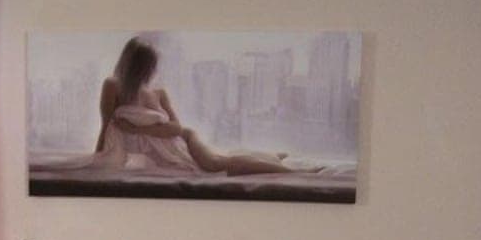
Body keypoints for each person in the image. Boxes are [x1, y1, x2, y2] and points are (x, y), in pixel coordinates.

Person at [95, 36, 318, 176]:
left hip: (184, 138)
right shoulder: (113, 85)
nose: (150, 71)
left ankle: (292, 172)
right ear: (132, 64)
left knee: (215, 164)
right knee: (220, 158)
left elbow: (176, 128)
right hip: (172, 145)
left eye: (150, 66)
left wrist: (136, 129)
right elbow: (106, 125)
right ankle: (270, 157)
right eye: (146, 65)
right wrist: (97, 158)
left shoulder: (158, 91)